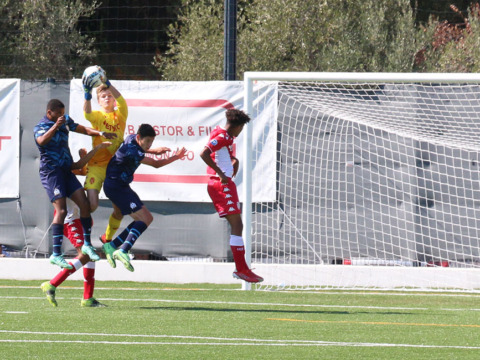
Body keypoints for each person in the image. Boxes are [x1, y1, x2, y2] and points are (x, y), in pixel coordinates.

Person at [33, 98, 117, 269]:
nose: (62, 117)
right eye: (59, 114)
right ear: (50, 113)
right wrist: (55, 126)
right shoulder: (41, 126)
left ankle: (87, 243)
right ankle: (56, 254)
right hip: (52, 172)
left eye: (63, 114)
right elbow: (41, 141)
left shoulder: (66, 121)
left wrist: (99, 133)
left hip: (66, 169)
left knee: (84, 204)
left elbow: (82, 128)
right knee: (62, 210)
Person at [101, 124, 187, 272]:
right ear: (139, 137)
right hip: (116, 187)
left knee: (144, 219)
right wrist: (176, 157)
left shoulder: (131, 138)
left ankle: (112, 245)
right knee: (144, 219)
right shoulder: (132, 149)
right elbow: (156, 165)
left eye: (151, 142)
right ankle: (122, 250)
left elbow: (143, 149)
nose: (149, 145)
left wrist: (153, 150)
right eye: (147, 141)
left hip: (120, 186)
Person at [41, 144, 111, 307]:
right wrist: (88, 158)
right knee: (86, 255)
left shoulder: (66, 171)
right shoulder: (59, 173)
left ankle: (88, 298)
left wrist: (86, 159)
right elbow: (80, 170)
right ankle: (52, 284)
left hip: (78, 218)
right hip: (70, 221)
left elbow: (81, 170)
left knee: (91, 254)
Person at [200, 109, 263, 283]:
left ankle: (242, 268)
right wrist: (220, 173)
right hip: (222, 185)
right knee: (237, 225)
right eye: (241, 128)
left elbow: (219, 154)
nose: (240, 132)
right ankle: (241, 269)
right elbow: (203, 153)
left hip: (224, 184)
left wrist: (234, 161)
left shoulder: (223, 135)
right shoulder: (222, 136)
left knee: (238, 225)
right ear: (238, 126)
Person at [83, 69, 128, 244]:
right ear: (99, 100)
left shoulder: (121, 113)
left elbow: (122, 100)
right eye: (103, 96)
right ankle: (76, 220)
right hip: (96, 166)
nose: (107, 98)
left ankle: (106, 238)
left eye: (110, 95)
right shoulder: (98, 116)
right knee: (92, 206)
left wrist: (108, 84)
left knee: (119, 211)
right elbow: (87, 113)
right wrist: (87, 96)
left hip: (115, 167)